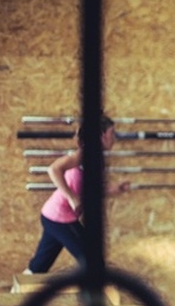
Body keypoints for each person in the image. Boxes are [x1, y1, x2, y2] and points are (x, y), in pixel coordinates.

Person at [25, 113, 130, 274]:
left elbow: (90, 189)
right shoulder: (84, 154)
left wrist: (114, 189)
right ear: (102, 135)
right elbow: (53, 169)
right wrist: (71, 197)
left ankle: (16, 294)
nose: (114, 138)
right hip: (60, 218)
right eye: (112, 133)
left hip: (53, 216)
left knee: (39, 266)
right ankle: (91, 296)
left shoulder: (96, 158)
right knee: (93, 260)